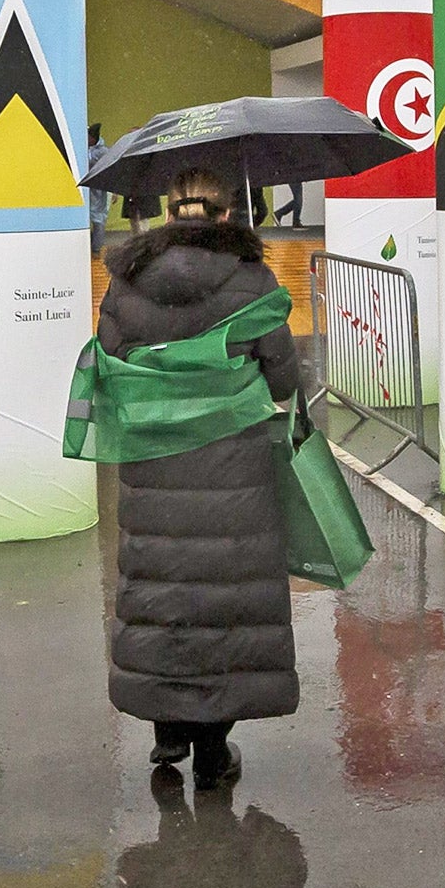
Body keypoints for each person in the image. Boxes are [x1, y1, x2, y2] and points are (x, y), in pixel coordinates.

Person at [94, 166, 302, 790]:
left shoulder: (126, 282)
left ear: (165, 211)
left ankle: (166, 736)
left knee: (163, 594)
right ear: (224, 214)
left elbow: (111, 361)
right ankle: (213, 750)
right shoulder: (250, 279)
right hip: (231, 469)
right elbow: (285, 376)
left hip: (154, 467)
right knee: (222, 601)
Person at [86, 123, 111, 256]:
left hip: (101, 189)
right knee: (92, 217)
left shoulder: (103, 152)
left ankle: (96, 248)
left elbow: (110, 171)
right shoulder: (86, 149)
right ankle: (92, 245)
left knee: (99, 218)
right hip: (89, 188)